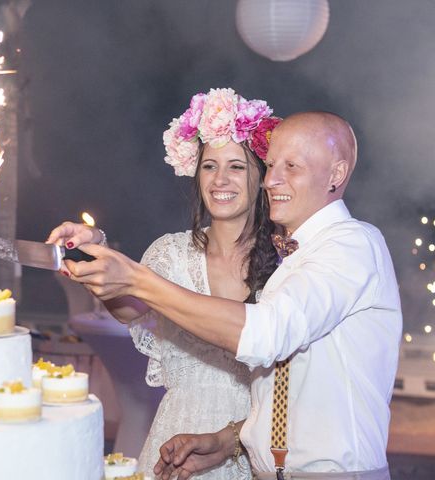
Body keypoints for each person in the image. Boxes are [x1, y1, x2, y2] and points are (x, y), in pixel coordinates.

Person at [58, 111, 402, 480]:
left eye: (291, 166)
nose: (272, 179)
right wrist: (229, 439)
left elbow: (266, 334)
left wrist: (137, 279)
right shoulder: (298, 257)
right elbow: (294, 387)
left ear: (335, 175)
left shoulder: (351, 244)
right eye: (270, 165)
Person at [48, 88, 281, 478]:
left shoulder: (283, 261)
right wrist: (96, 253)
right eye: (209, 166)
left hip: (253, 446)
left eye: (236, 167)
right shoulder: (171, 253)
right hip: (176, 447)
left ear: (260, 177)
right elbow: (128, 308)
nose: (220, 179)